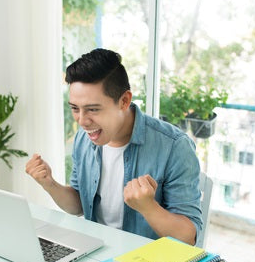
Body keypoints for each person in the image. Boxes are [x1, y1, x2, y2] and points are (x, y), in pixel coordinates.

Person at [25, 48, 202, 245]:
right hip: (94, 251)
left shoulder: (174, 146)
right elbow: (78, 206)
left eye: (93, 109)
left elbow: (189, 237)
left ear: (124, 101)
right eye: (75, 108)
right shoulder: (84, 140)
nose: (82, 121)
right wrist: (50, 184)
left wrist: (148, 207)